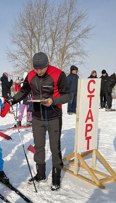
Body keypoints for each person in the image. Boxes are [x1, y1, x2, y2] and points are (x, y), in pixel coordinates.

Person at [9, 52, 71, 191]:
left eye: (41, 69)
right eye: (36, 68)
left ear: (47, 65)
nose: (38, 71)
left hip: (54, 116)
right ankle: (41, 174)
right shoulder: (31, 75)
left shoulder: (58, 74)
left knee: (55, 148)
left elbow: (68, 96)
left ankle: (56, 178)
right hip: (37, 117)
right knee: (39, 146)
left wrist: (53, 101)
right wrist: (12, 100)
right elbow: (24, 91)